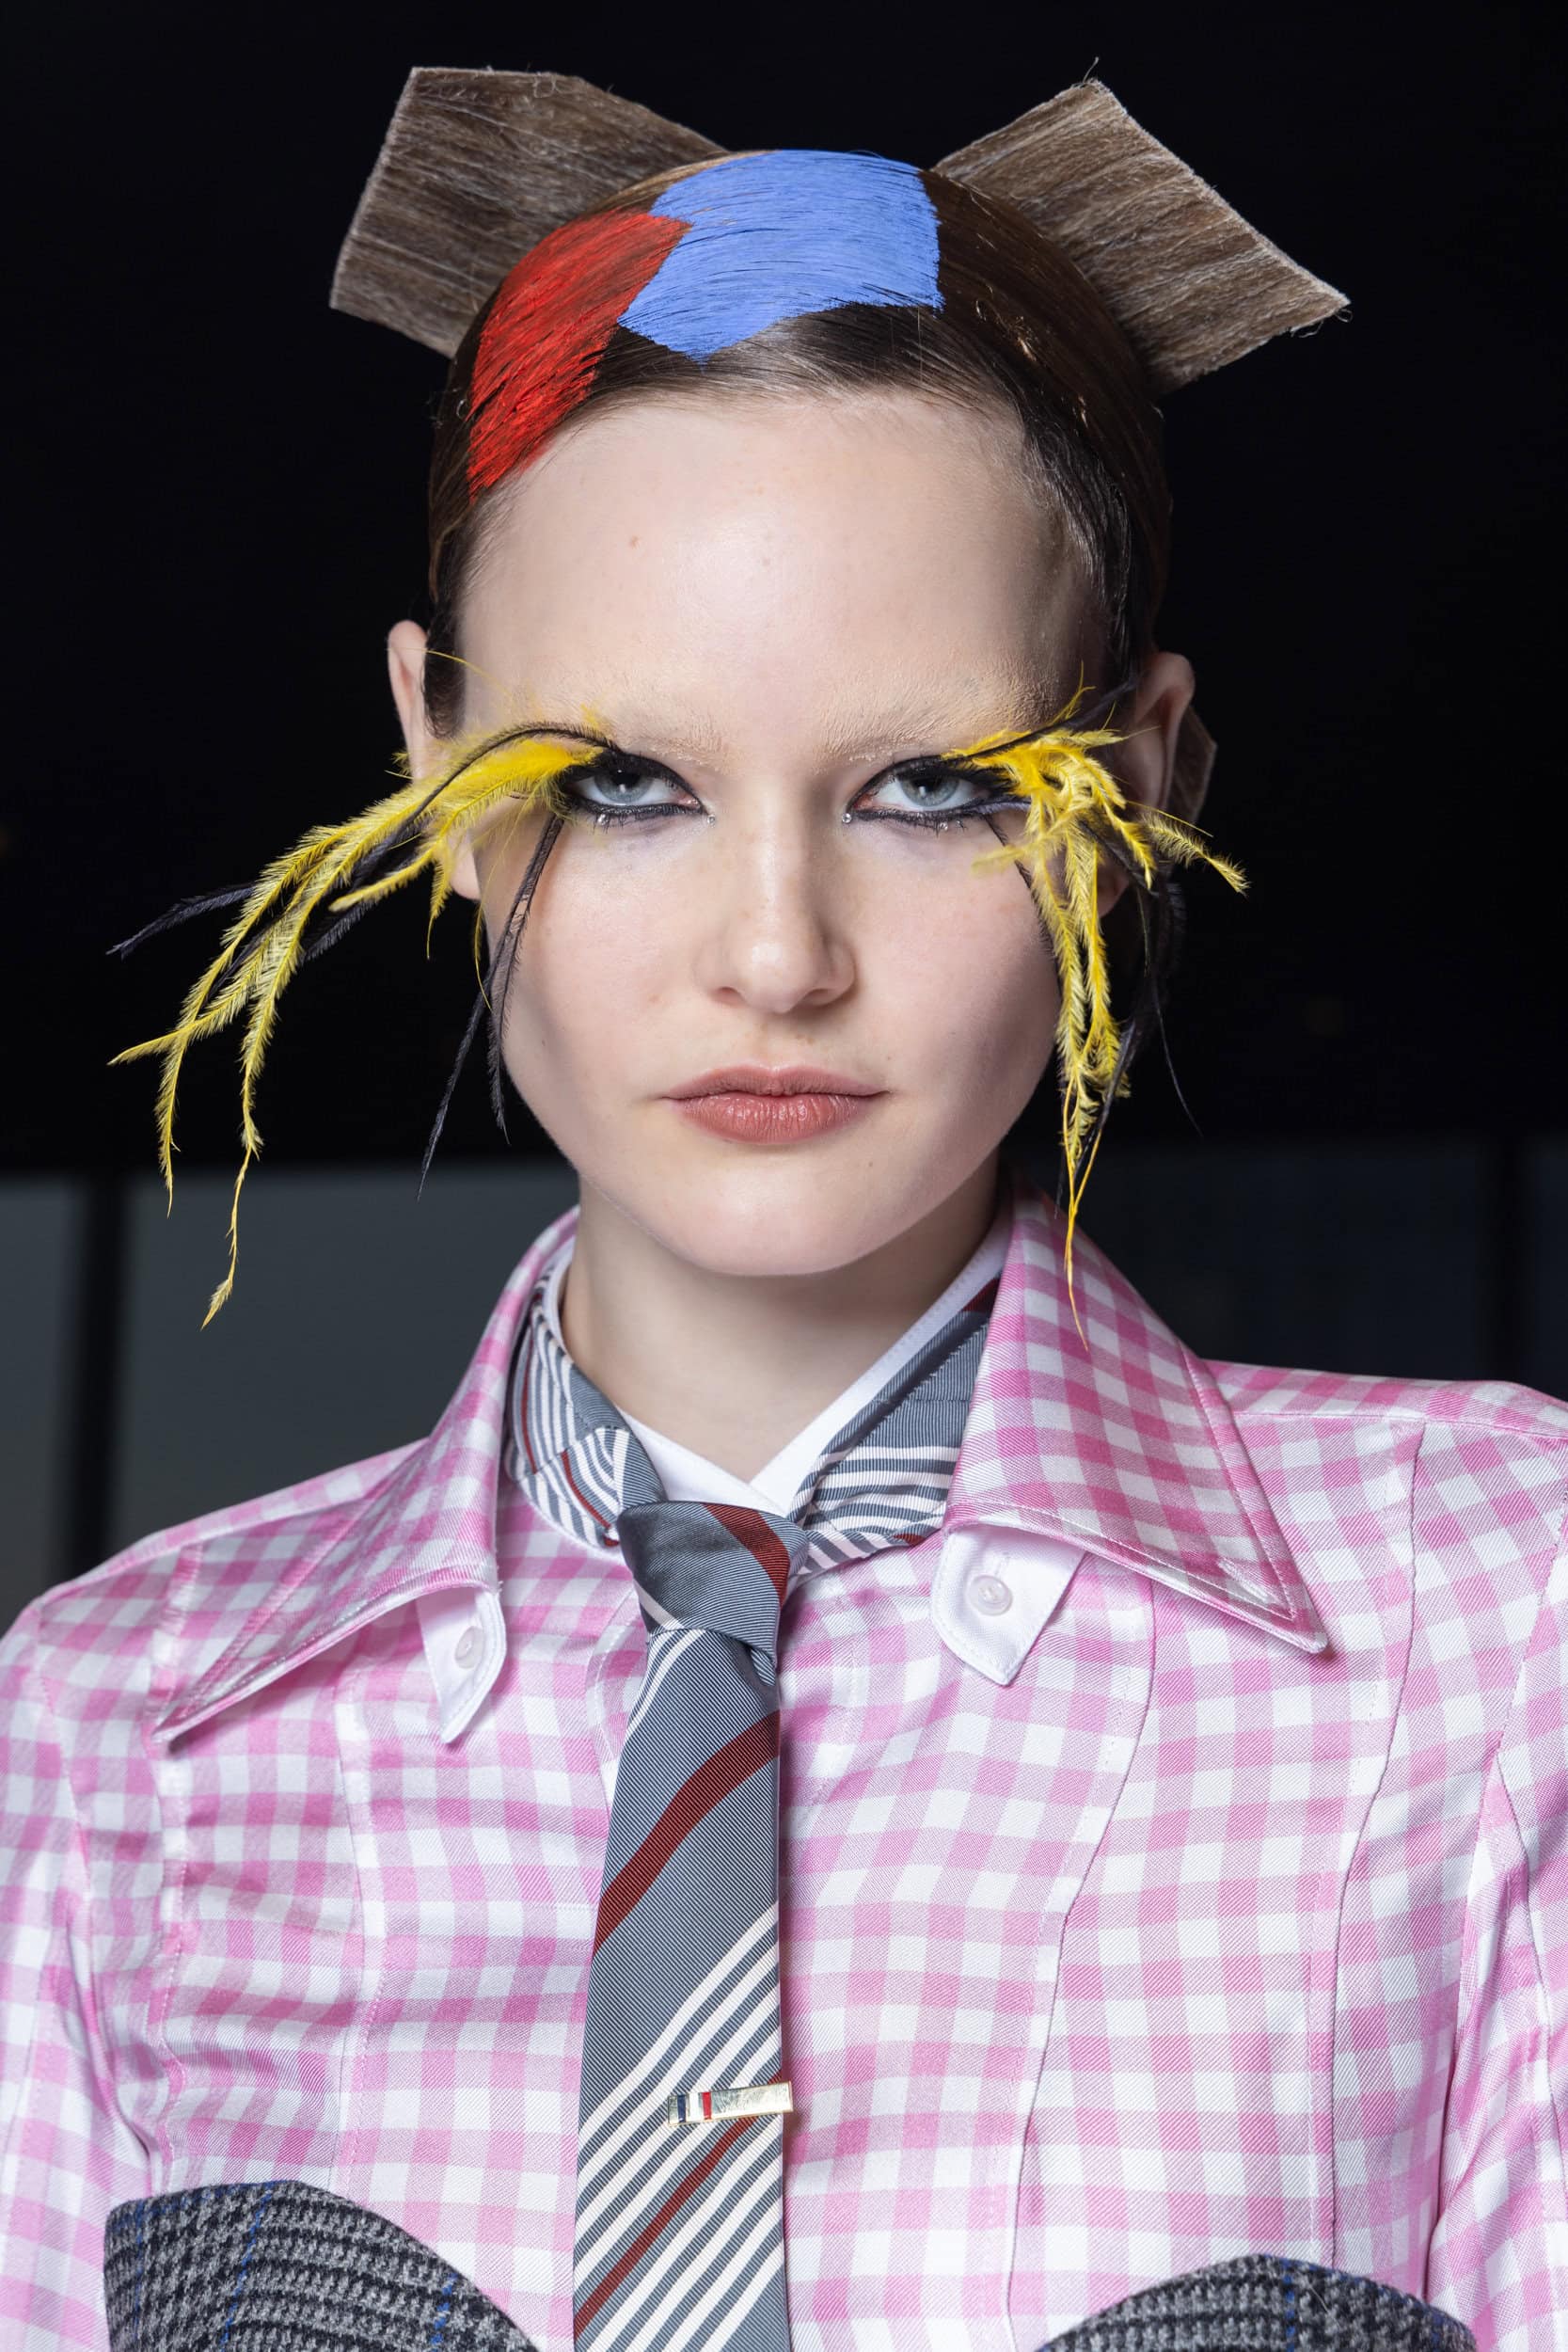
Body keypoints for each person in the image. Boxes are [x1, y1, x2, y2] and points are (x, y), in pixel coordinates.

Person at [1, 67, 1561, 2352]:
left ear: (1143, 781)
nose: (775, 952)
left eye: (929, 786)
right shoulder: (104, 1734)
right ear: (434, 759)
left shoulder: (1503, 1619)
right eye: (622, 781)